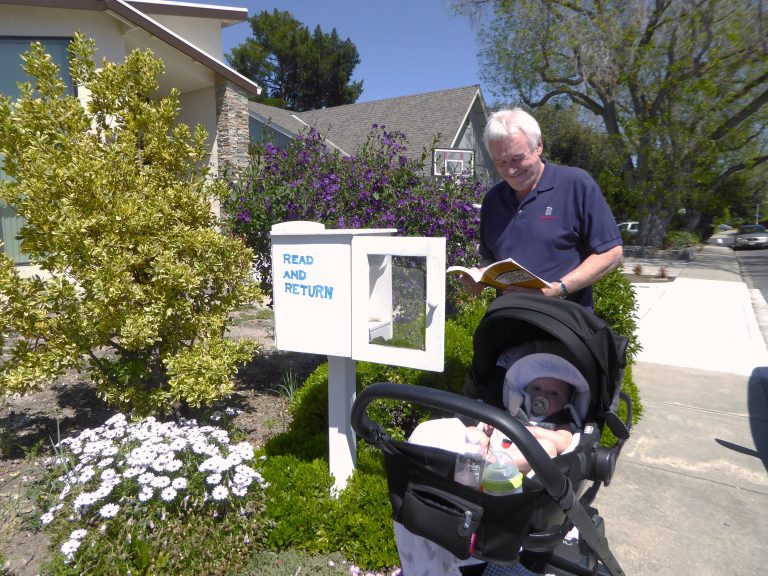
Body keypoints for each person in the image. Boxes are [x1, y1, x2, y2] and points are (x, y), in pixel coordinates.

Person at [394, 353, 589, 575]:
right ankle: (468, 460)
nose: (542, 396)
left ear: (566, 401)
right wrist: (488, 427)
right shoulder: (515, 411)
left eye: (554, 393)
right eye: (537, 388)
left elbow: (564, 442)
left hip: (521, 470)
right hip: (491, 453)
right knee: (473, 432)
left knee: (548, 448)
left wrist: (531, 432)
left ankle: (493, 464)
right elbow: (491, 427)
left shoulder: (561, 421)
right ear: (526, 390)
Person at [459, 108, 623, 309]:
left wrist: (558, 289)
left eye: (517, 158)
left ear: (538, 146)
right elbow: (490, 258)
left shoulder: (575, 185)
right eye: (500, 162)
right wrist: (479, 278)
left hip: (563, 321)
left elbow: (611, 253)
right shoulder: (493, 200)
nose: (510, 170)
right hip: (510, 319)